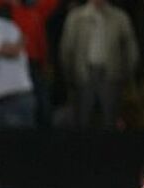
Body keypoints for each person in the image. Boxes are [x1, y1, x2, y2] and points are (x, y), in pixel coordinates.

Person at [59, 0, 138, 129]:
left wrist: (124, 74)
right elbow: (67, 50)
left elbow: (130, 49)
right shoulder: (76, 17)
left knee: (110, 119)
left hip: (111, 74)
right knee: (83, 118)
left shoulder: (120, 17)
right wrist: (71, 76)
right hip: (84, 75)